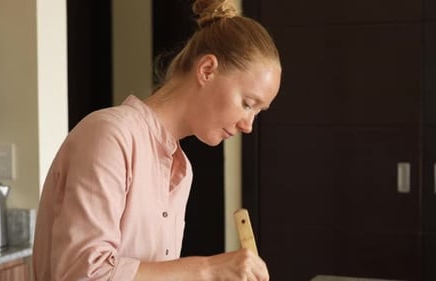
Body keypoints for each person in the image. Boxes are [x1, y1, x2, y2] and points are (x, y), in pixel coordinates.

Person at [32, 0, 281, 280]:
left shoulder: (181, 170)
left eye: (258, 112)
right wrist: (208, 269)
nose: (248, 126)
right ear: (207, 70)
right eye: (248, 103)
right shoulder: (110, 135)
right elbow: (84, 274)